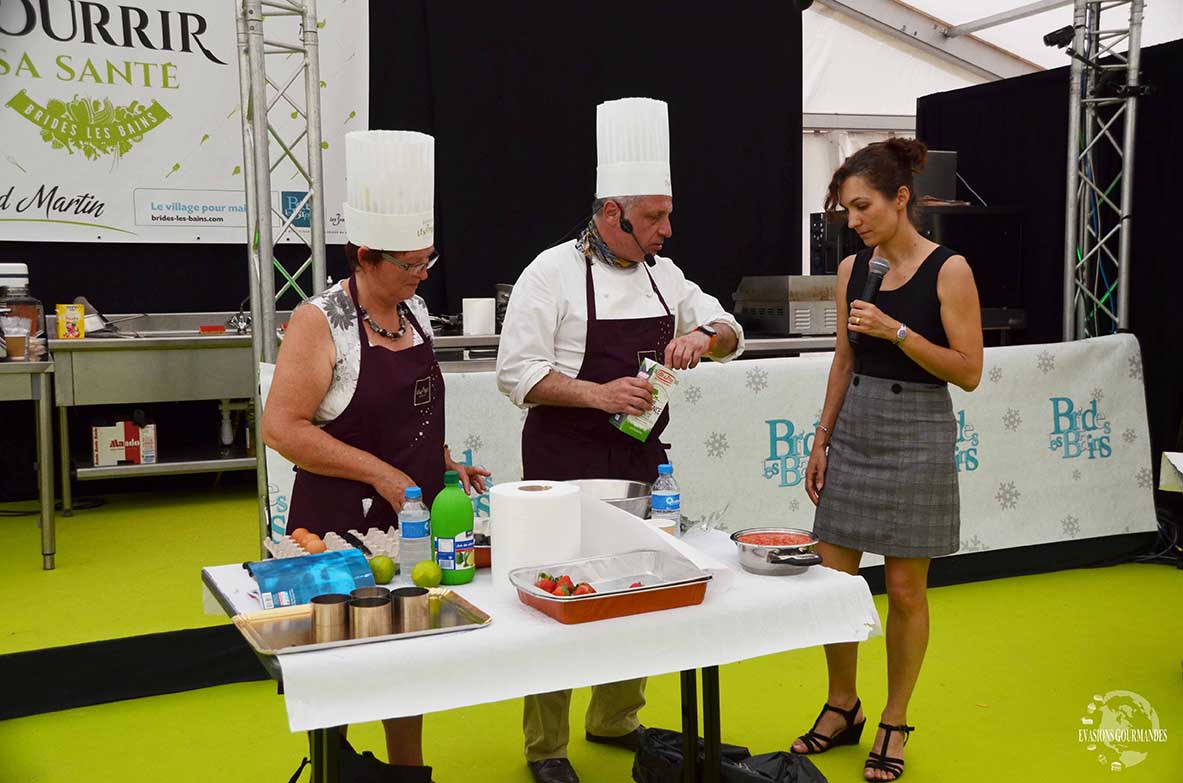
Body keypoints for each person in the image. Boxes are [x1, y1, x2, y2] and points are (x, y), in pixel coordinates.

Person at [496, 97, 744, 783]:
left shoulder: (666, 275)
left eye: (667, 214)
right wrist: (598, 393)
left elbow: (729, 331)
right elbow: (516, 374)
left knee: (637, 585)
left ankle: (615, 717)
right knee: (559, 596)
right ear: (613, 214)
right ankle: (545, 747)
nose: (667, 229)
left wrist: (702, 336)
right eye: (654, 217)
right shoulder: (549, 273)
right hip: (562, 458)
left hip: (638, 458)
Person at [262, 130, 488, 766]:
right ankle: (334, 765)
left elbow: (404, 412)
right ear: (365, 255)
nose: (422, 277)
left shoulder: (410, 312)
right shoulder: (320, 320)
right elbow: (282, 428)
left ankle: (407, 772)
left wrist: (442, 463)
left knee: (407, 654)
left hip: (408, 519)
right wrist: (383, 474)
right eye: (410, 265)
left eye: (428, 262)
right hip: (337, 525)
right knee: (343, 656)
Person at [790, 138, 982, 782]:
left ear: (902, 199)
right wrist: (821, 439)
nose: (854, 221)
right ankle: (842, 706)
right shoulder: (853, 271)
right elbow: (843, 360)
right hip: (856, 430)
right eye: (847, 210)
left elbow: (969, 371)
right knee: (832, 584)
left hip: (918, 430)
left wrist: (898, 331)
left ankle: (895, 720)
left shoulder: (949, 270)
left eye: (863, 206)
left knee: (904, 590)